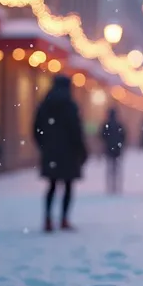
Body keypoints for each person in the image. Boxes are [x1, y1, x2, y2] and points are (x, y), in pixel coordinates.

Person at [33, 75, 88, 232]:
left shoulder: (45, 105)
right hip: (69, 153)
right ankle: (64, 219)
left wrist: (44, 145)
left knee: (51, 185)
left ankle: (48, 219)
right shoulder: (70, 105)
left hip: (51, 152)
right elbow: (76, 131)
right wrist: (81, 149)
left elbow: (36, 128)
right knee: (68, 186)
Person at [100, 108, 126, 194]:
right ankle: (116, 185)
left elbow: (102, 135)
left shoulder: (106, 125)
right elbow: (124, 136)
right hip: (117, 149)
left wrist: (107, 142)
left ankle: (110, 186)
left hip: (109, 148)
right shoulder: (119, 125)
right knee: (117, 168)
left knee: (110, 168)